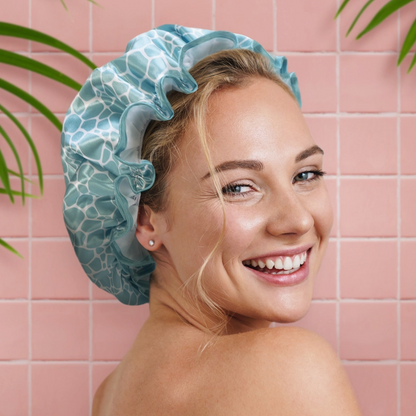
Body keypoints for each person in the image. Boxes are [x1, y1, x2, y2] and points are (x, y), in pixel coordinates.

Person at [61, 25, 361, 415]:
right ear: (145, 220)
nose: (298, 220)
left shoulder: (109, 396)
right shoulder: (291, 369)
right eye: (238, 187)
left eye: (305, 174)